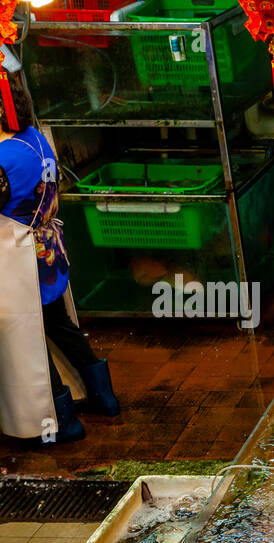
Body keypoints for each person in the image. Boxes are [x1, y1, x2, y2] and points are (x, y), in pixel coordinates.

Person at [0, 55, 118, 446]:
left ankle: (61, 423)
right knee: (59, 326)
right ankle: (104, 397)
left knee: (28, 339)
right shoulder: (35, 138)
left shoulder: (3, 158)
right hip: (48, 254)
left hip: (18, 262)